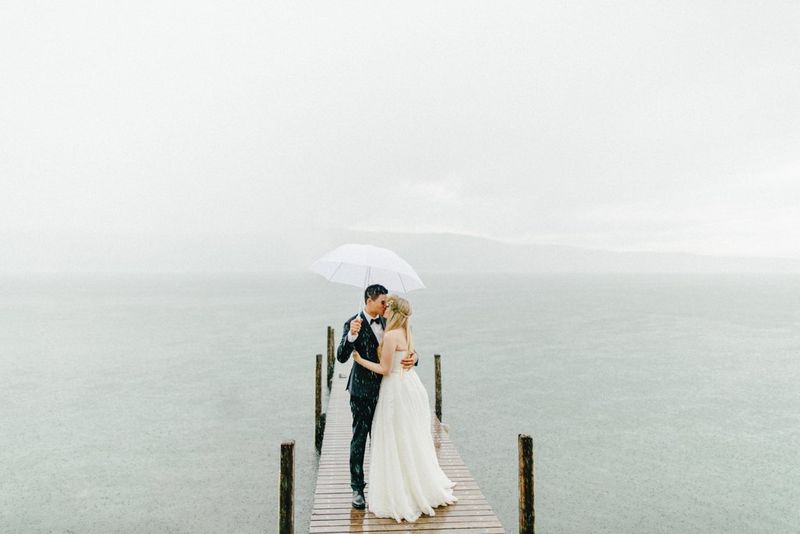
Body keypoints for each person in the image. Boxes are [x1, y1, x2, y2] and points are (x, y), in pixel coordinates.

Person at [352, 295, 457, 522]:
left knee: (394, 437)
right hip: (412, 386)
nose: (384, 309)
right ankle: (416, 482)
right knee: (409, 437)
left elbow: (385, 369)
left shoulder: (390, 335)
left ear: (394, 311)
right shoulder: (407, 331)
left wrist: (359, 360)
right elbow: (408, 353)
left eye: (388, 307)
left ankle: (400, 491)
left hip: (396, 390)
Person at [336, 284, 418, 510]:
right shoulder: (352, 322)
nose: (386, 305)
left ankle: (389, 485)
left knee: (387, 439)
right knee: (360, 438)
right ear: (369, 300)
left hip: (388, 391)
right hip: (362, 392)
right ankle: (357, 488)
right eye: (383, 301)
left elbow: (404, 346)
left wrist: (415, 357)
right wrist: (352, 335)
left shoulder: (389, 321)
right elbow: (341, 357)